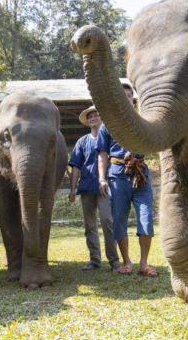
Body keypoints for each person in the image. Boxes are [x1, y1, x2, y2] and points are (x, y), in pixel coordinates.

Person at [96, 83, 158, 277]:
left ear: (133, 98)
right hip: (117, 177)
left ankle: (143, 264)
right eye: (123, 96)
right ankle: (127, 262)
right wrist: (102, 179)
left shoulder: (143, 120)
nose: (127, 98)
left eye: (130, 95)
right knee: (119, 220)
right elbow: (102, 155)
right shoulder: (107, 124)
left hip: (141, 176)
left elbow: (155, 145)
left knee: (146, 217)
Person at [68, 104, 120, 272]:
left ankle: (114, 261)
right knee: (89, 225)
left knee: (107, 221)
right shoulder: (82, 141)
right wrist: (73, 188)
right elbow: (75, 166)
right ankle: (95, 261)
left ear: (102, 118)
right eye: (90, 116)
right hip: (86, 189)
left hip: (106, 188)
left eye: (96, 115)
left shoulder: (111, 138)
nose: (93, 118)